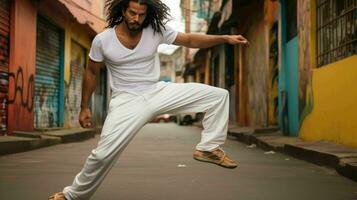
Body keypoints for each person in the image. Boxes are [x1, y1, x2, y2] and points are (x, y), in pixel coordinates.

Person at [49, 0, 248, 199]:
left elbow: (189, 40)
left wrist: (224, 38)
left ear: (148, 14)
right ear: (123, 10)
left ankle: (208, 148)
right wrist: (84, 107)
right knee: (102, 155)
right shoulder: (103, 40)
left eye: (141, 15)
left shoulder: (155, 30)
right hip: (126, 100)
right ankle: (71, 196)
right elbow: (91, 72)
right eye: (132, 13)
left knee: (218, 96)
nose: (136, 19)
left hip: (156, 91)